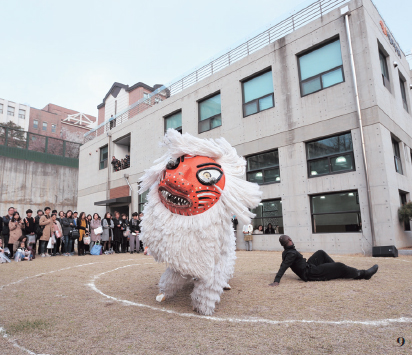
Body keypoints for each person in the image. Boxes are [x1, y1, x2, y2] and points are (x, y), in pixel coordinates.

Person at [268, 235, 379, 286]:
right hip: (310, 273)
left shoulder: (287, 251)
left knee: (320, 253)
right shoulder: (291, 254)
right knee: (340, 266)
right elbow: (284, 266)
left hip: (307, 266)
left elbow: (285, 263)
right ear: (289, 240)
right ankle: (364, 274)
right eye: (291, 239)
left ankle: (334, 270)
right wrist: (277, 280)